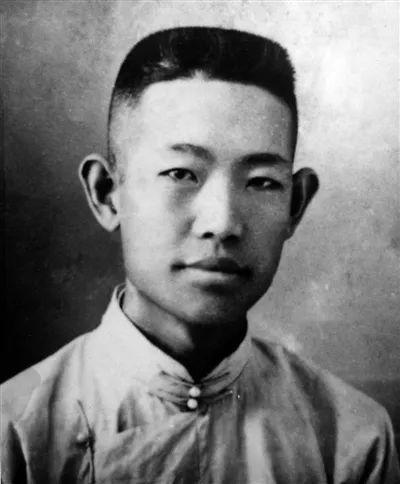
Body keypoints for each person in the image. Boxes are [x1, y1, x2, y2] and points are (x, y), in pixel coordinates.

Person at [1, 26, 399, 483]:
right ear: (107, 193)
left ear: (296, 204)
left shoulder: (352, 440)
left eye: (262, 181)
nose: (223, 222)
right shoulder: (15, 433)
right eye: (181, 173)